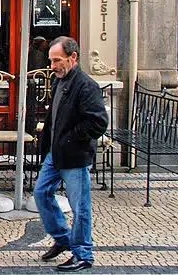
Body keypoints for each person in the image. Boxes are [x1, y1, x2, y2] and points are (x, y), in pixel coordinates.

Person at [35, 36, 109, 272]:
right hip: (55, 153)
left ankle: (83, 254)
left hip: (75, 156)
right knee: (41, 193)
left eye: (57, 60)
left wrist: (69, 138)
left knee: (80, 207)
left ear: (73, 57)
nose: (53, 66)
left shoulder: (86, 86)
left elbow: (98, 124)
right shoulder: (59, 81)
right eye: (51, 61)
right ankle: (62, 238)